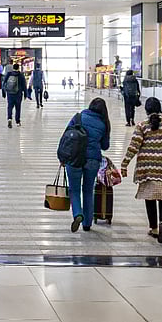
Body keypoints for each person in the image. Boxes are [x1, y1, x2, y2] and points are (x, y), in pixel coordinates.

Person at [120, 98, 162, 244]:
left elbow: (133, 147)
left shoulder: (142, 126)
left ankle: (154, 228)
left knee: (150, 198)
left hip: (147, 168)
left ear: (146, 110)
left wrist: (124, 164)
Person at [65, 98, 110, 233]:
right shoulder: (103, 124)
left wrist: (63, 157)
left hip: (74, 158)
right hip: (93, 160)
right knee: (88, 190)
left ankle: (78, 214)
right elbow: (105, 146)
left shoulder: (78, 117)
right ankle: (87, 223)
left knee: (74, 190)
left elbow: (66, 136)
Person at [3, 63, 26, 128]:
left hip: (10, 94)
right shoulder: (21, 75)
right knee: (18, 108)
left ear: (13, 68)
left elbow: (4, 82)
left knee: (10, 106)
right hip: (18, 94)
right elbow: (24, 85)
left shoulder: (9, 74)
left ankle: (9, 119)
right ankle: (18, 121)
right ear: (18, 68)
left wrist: (3, 92)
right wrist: (26, 94)